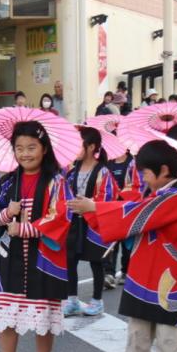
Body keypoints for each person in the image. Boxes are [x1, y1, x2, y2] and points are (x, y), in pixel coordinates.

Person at [67, 140, 177, 352]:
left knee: (168, 334)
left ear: (164, 170)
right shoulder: (159, 195)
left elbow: (138, 215)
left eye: (145, 172)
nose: (141, 177)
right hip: (144, 270)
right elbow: (137, 209)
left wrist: (95, 208)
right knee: (137, 331)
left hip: (168, 275)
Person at [0, 121, 73, 352]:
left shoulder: (57, 181)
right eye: (19, 148)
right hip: (11, 259)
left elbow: (61, 217)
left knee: (42, 315)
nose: (25, 153)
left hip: (44, 259)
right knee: (8, 313)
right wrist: (7, 214)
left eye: (31, 147)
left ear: (44, 149)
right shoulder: (8, 181)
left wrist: (23, 227)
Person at [63, 127, 119, 317]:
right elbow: (63, 193)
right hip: (74, 223)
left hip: (94, 224)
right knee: (70, 260)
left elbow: (108, 199)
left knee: (96, 261)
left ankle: (97, 301)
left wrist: (89, 207)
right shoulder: (71, 170)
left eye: (78, 145)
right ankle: (72, 300)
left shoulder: (103, 171)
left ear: (91, 147)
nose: (74, 149)